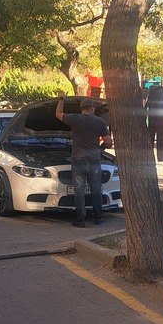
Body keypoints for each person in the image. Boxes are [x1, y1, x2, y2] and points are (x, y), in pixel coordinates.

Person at [55, 94, 111, 227]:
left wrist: (61, 99)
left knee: (79, 190)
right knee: (96, 189)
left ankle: (80, 219)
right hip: (94, 160)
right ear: (91, 108)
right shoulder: (100, 121)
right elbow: (109, 142)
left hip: (78, 159)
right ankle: (98, 217)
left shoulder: (74, 119)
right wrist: (100, 149)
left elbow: (58, 114)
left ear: (82, 108)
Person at [144, 79, 163, 162]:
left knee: (151, 134)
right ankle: (162, 156)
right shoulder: (160, 93)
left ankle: (150, 155)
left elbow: (147, 105)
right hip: (159, 115)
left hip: (153, 115)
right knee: (161, 135)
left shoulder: (153, 92)